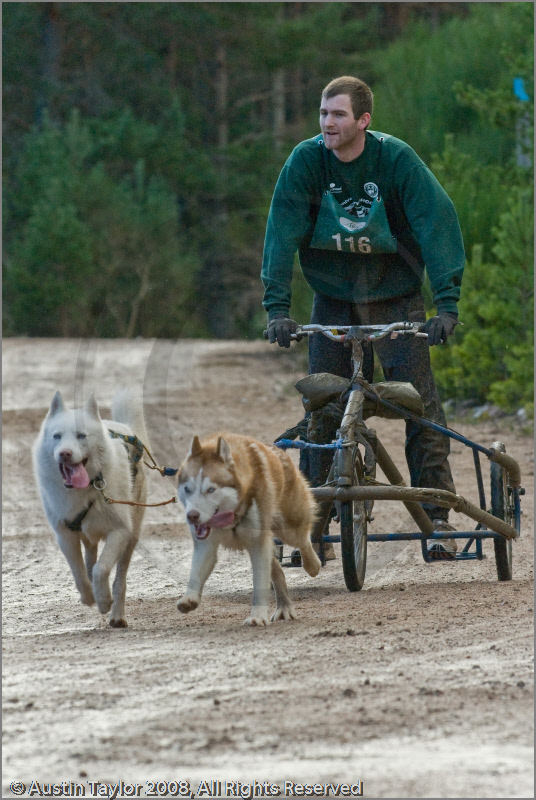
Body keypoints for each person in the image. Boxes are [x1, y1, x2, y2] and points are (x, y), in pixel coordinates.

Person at [261, 76, 465, 560]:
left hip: (396, 296)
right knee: (323, 409)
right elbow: (280, 230)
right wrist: (277, 309)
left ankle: (437, 519)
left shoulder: (395, 161)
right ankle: (313, 526)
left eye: (338, 115)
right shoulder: (306, 162)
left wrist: (447, 305)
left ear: (363, 121)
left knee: (418, 404)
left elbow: (438, 225)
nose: (327, 124)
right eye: (323, 114)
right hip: (333, 296)